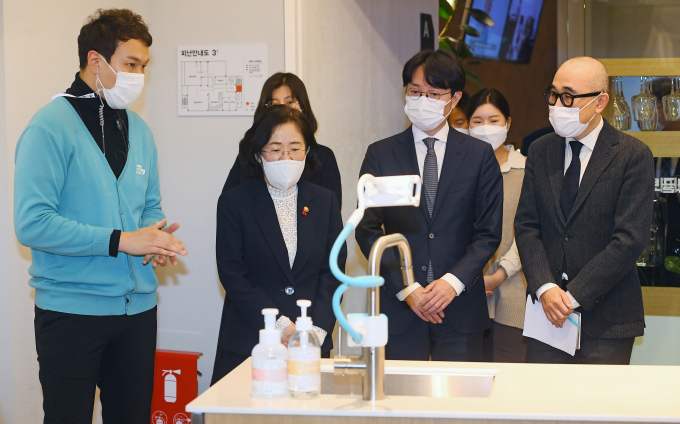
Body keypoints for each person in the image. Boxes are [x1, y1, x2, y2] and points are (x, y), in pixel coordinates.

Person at [13, 9, 187, 423]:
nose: (139, 75)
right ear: (96, 61)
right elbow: (32, 222)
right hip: (72, 312)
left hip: (137, 311)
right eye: (130, 64)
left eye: (143, 66)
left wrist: (155, 239)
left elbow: (149, 207)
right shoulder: (49, 127)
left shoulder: (139, 130)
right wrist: (122, 240)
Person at [355, 49, 503, 362]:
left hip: (460, 308)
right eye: (415, 92)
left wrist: (451, 284)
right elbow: (367, 229)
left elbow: (488, 233)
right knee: (401, 405)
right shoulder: (381, 155)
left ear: (454, 98)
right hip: (401, 310)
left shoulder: (478, 156)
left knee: (461, 405)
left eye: (434, 94)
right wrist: (407, 288)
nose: (423, 101)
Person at [515, 56, 654, 364]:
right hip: (546, 317)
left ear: (600, 101)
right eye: (553, 94)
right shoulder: (540, 149)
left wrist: (573, 295)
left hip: (608, 318)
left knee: (600, 409)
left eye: (568, 96)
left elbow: (629, 239)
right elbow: (527, 225)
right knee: (544, 407)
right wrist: (546, 288)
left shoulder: (632, 155)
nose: (556, 105)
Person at [212, 105, 346, 384]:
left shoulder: (324, 201)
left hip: (311, 344)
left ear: (307, 151)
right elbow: (233, 275)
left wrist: (316, 330)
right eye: (275, 149)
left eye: (295, 148)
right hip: (250, 340)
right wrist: (281, 325)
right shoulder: (234, 202)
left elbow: (333, 271)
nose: (286, 157)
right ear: (258, 154)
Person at [467, 88, 527, 363]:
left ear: (508, 123)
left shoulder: (527, 169)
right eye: (477, 121)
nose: (485, 128)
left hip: (513, 287)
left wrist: (499, 275)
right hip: (465, 288)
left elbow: (530, 230)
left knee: (510, 375)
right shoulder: (460, 172)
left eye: (493, 120)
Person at [222, 72, 342, 206]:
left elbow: (331, 212)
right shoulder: (252, 155)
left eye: (290, 102)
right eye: (274, 104)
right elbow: (231, 204)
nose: (283, 108)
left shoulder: (324, 157)